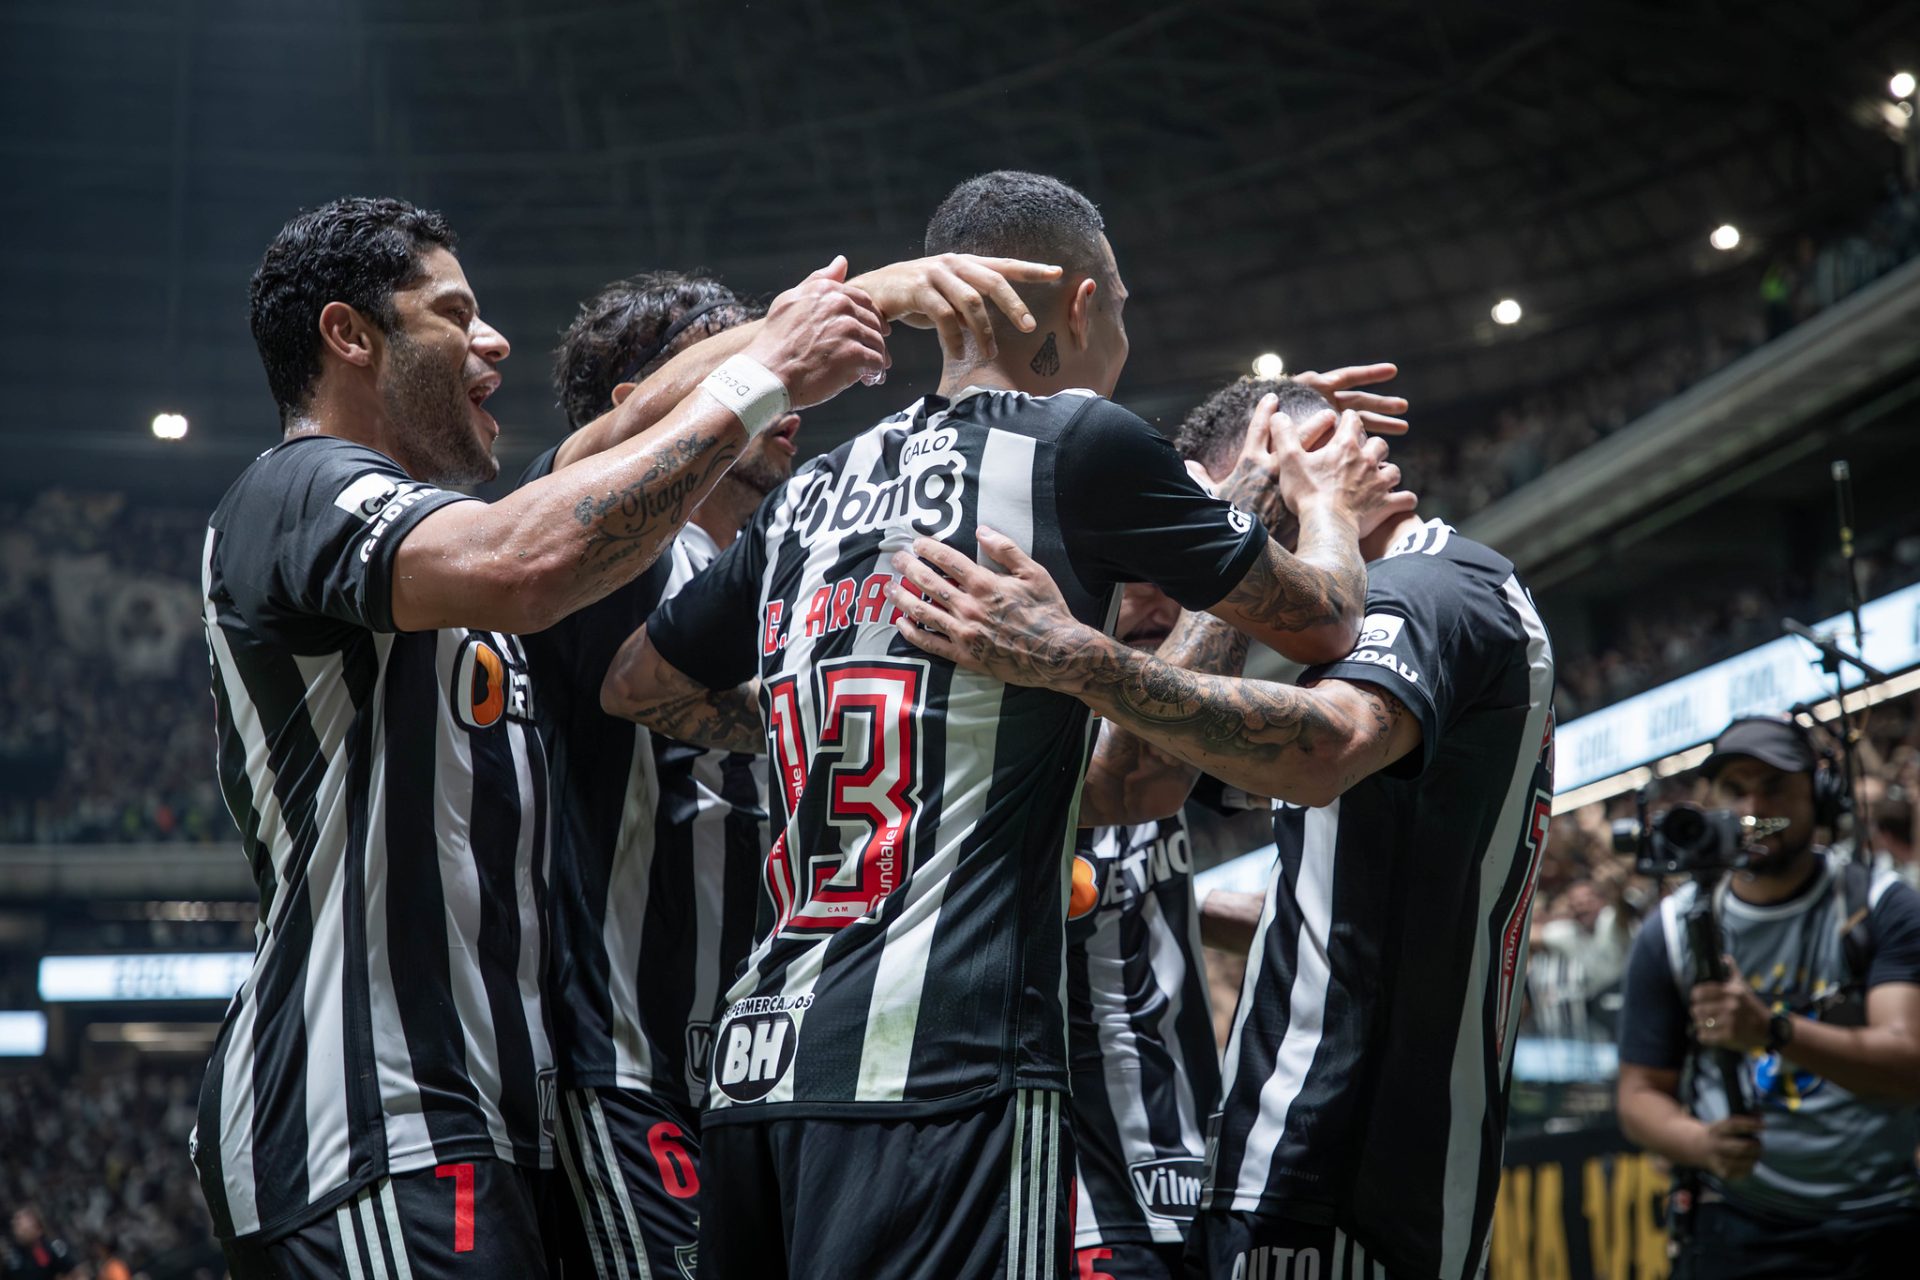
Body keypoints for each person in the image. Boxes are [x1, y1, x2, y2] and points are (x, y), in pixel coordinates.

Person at [600, 171, 1402, 1278]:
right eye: (1119, 303)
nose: (1122, 327)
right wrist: (1313, 500)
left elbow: (636, 683)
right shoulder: (1077, 442)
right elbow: (1324, 619)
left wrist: (793, 702)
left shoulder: (813, 487)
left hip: (762, 1069)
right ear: (1076, 304)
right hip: (946, 1069)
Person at [195, 195, 887, 1279]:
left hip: (487, 1113)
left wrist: (801, 325)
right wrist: (766, 381)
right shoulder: (300, 489)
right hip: (369, 1112)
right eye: (454, 313)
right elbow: (527, 561)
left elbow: (619, 431)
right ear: (350, 335)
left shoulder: (436, 534)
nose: (494, 339)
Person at [890, 375, 1556, 1280]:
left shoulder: (1434, 590)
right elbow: (1149, 778)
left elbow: (1320, 753)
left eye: (1213, 517)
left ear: (1296, 467)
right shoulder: (1397, 620)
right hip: (1335, 1152)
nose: (1201, 551)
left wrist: (1072, 656)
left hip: (1340, 1149)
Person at [528, 257, 1059, 1279]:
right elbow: (586, 463)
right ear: (648, 403)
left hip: (770, 1068)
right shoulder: (606, 547)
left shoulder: (792, 559)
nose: (790, 397)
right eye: (748, 365)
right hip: (627, 1062)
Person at [1615, 715, 1920, 1279]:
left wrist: (1772, 1031)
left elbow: (1908, 1065)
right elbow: (1638, 1094)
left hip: (1885, 1221)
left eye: (1775, 785)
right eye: (1735, 788)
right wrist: (1700, 1143)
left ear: (1820, 792)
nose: (1755, 805)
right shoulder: (1671, 930)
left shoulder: (1881, 905)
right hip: (1743, 1225)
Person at [2, 1210, 76, 1280]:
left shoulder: (53, 1248)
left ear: (38, 1230)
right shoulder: (12, 1259)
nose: (20, 1232)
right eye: (17, 1226)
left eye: (27, 1229)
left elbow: (74, 1272)